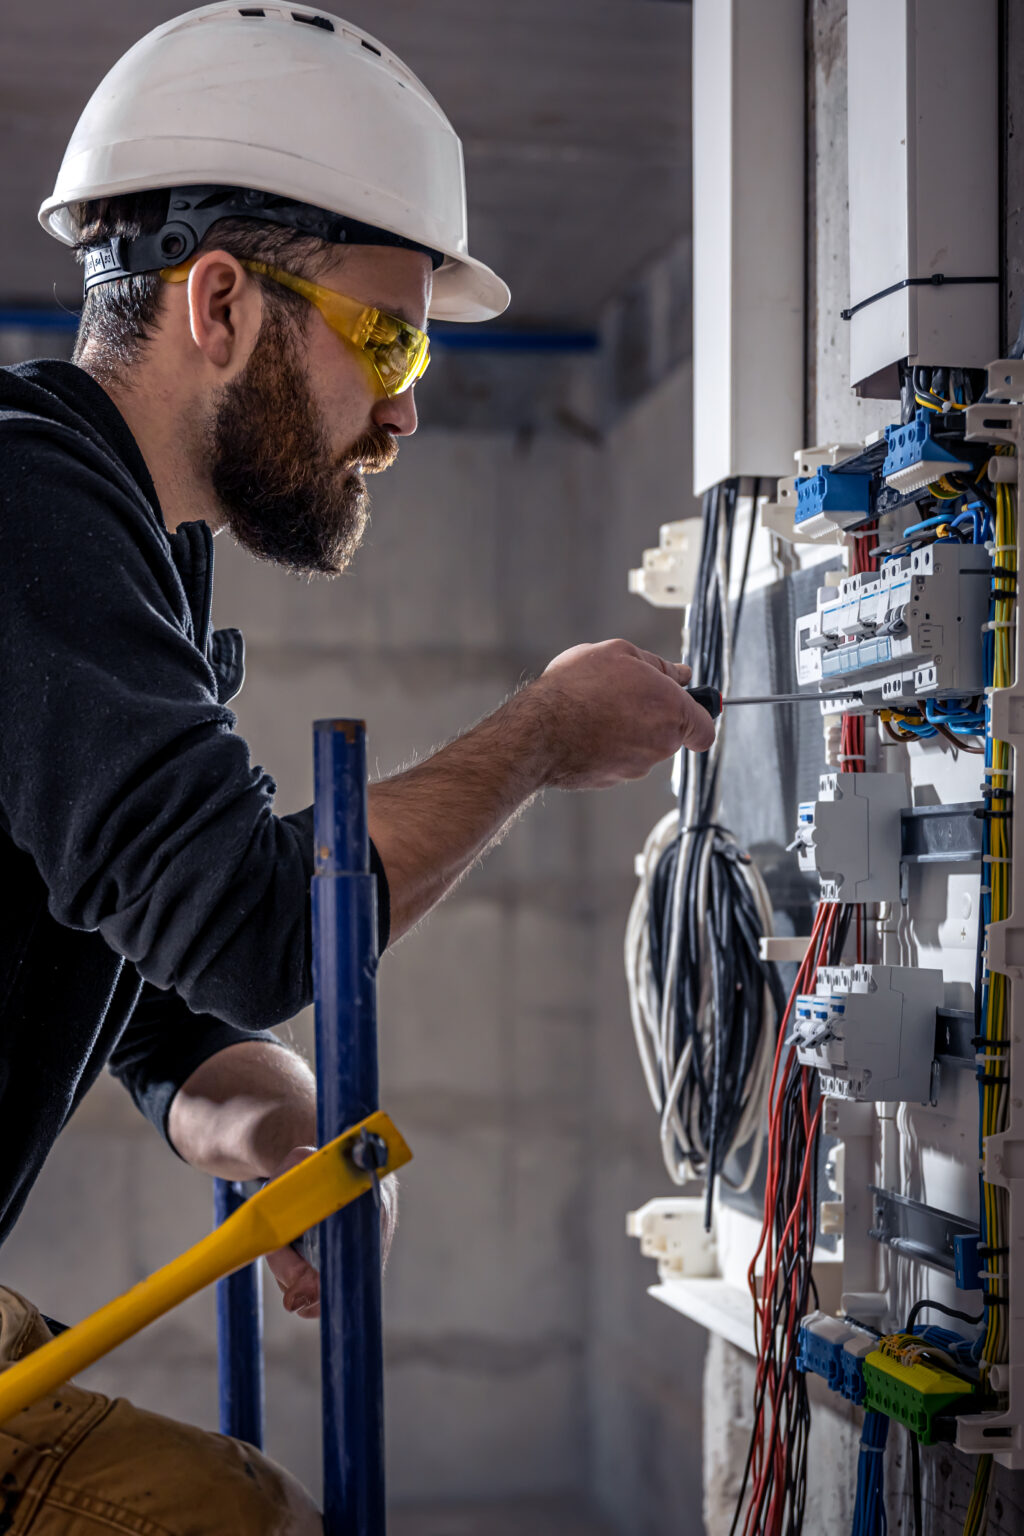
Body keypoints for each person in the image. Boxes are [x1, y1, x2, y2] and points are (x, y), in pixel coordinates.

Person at [0, 5, 714, 1530]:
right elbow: (257, 922)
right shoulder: (24, 511)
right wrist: (537, 738)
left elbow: (154, 999)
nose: (400, 409)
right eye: (385, 337)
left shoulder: (128, 557)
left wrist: (276, 1122)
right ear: (216, 303)